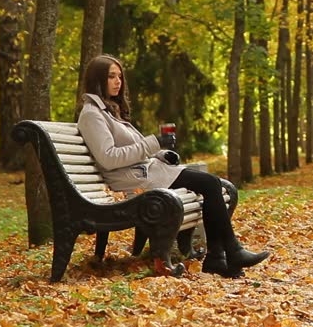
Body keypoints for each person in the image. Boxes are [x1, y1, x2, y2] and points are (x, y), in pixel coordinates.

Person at [76, 54, 269, 278]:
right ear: (97, 80)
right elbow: (108, 158)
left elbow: (134, 147)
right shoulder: (92, 115)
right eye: (111, 77)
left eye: (120, 76)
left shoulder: (111, 111)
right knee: (210, 183)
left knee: (212, 184)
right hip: (134, 180)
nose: (118, 81)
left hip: (147, 171)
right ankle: (227, 253)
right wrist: (153, 142)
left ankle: (219, 255)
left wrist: (162, 152)